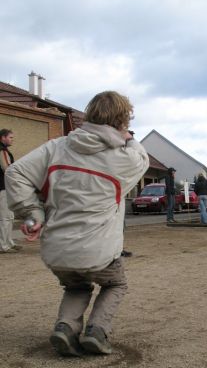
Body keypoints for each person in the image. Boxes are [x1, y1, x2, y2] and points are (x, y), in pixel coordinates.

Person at [5, 91, 149, 357]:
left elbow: (15, 173)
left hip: (57, 249)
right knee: (116, 284)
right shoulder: (125, 159)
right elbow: (142, 159)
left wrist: (33, 212)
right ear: (123, 120)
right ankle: (96, 331)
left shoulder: (56, 147)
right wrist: (129, 139)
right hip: (99, 250)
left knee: (76, 285)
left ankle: (65, 328)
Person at [0, 129, 21, 253]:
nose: (12, 139)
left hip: (4, 187)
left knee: (9, 216)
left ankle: (9, 242)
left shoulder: (4, 150)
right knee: (5, 218)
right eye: (10, 137)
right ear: (3, 137)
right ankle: (4, 245)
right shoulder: (2, 151)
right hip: (3, 188)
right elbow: (7, 169)